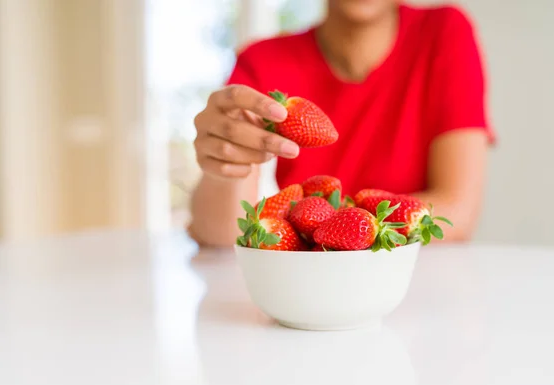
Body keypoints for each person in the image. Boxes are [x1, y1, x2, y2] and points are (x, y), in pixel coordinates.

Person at [190, 0, 494, 247]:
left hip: (420, 285)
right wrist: (224, 164)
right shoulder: (262, 60)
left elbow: (458, 209)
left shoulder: (444, 32)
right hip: (311, 288)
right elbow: (220, 234)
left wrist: (332, 228)